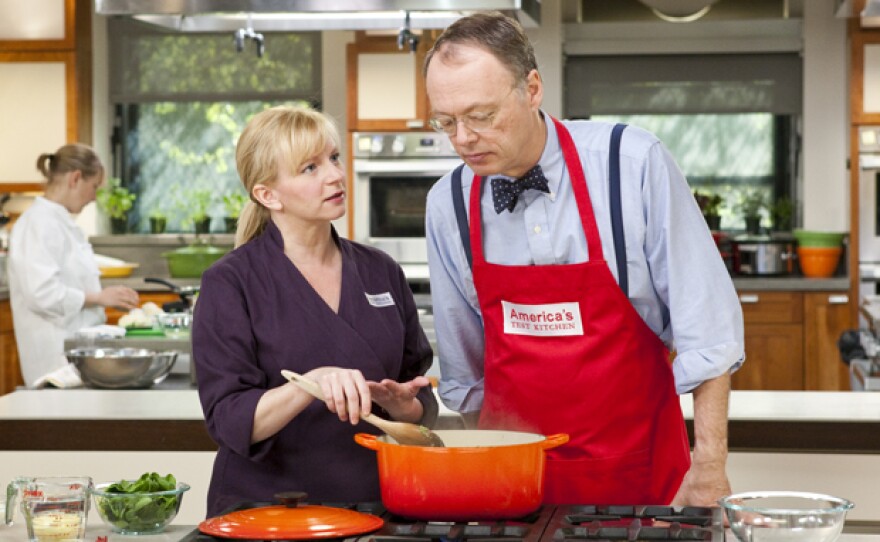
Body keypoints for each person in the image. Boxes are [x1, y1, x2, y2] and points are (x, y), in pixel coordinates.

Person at [423, 12, 744, 507]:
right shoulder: (448, 204)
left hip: (642, 482)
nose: (462, 138)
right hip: (513, 490)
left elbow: (709, 333)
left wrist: (709, 466)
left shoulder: (631, 165)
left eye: (481, 116)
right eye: (446, 122)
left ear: (532, 89)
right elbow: (467, 378)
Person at [191, 105, 437, 517]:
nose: (335, 175)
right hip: (268, 511)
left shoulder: (381, 270)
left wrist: (403, 406)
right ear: (268, 194)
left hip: (379, 504)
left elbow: (421, 401)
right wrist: (310, 384)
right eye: (309, 167)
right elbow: (230, 420)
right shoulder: (230, 283)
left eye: (334, 158)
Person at [8, 143, 140, 388]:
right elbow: (42, 294)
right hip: (54, 361)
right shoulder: (38, 224)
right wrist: (99, 297)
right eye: (94, 187)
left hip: (74, 358)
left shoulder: (60, 222)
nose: (94, 196)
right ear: (76, 178)